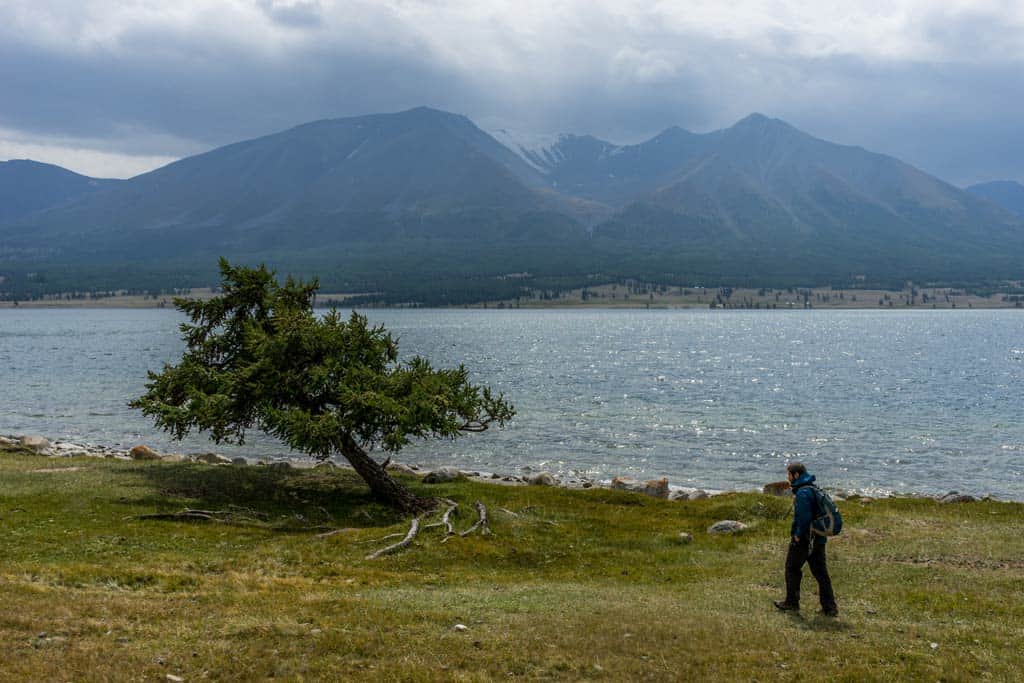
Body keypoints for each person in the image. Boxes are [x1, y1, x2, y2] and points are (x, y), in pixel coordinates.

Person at [773, 462, 838, 616]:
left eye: (789, 474)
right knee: (821, 573)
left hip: (804, 539)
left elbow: (804, 518)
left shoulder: (803, 493)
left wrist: (797, 535)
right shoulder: (812, 488)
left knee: (792, 568)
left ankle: (792, 603)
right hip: (818, 538)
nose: (788, 477)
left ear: (796, 475)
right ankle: (830, 608)